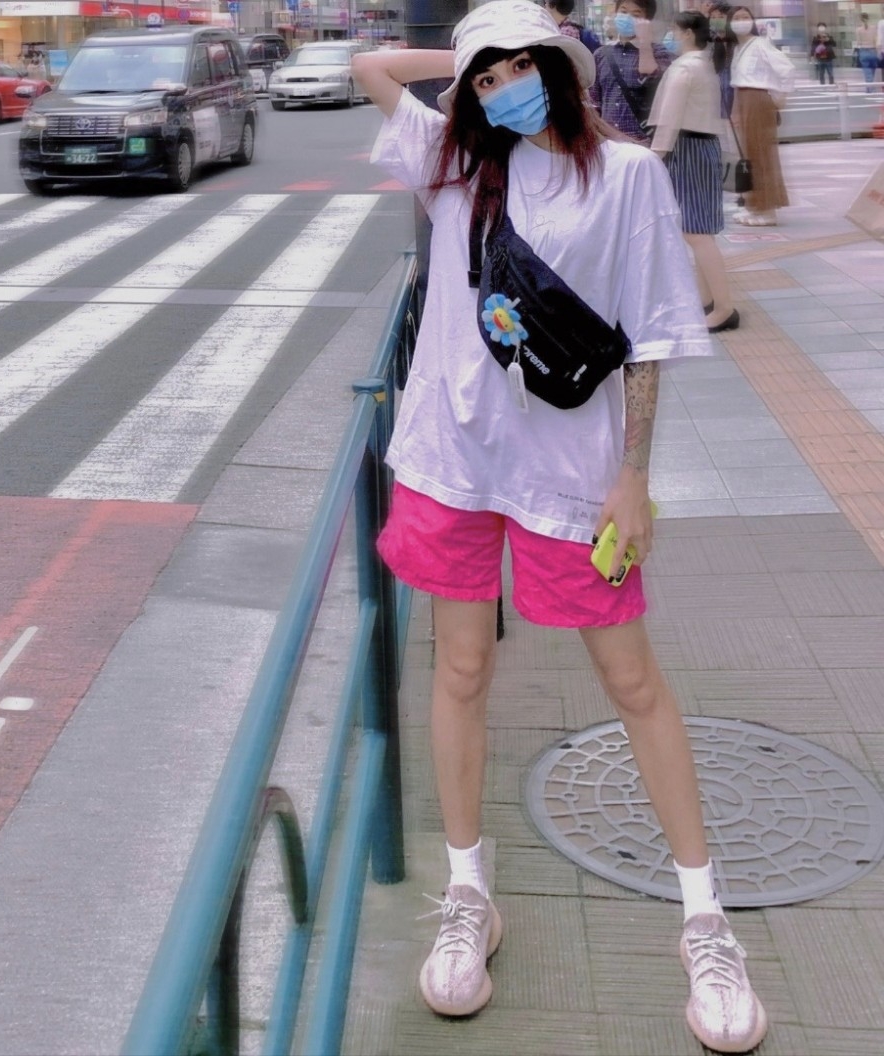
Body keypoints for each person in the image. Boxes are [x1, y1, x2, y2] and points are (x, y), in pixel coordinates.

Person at [351, 3, 768, 1051]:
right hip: (453, 461)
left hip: (572, 476)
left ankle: (705, 920)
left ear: (558, 66)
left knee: (633, 681)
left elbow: (655, 331)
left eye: (518, 69)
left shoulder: (626, 176)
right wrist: (464, 56)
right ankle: (467, 894)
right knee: (458, 670)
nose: (502, 91)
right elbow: (369, 67)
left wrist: (634, 477)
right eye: (483, 80)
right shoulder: (456, 165)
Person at [649, 11, 737, 333]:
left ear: (687, 33)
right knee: (699, 231)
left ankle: (724, 308)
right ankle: (707, 300)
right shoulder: (705, 64)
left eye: (673, 31)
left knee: (696, 233)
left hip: (688, 149)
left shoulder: (686, 67)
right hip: (701, 147)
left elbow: (669, 120)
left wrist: (655, 157)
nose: (669, 36)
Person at [724, 6, 793, 227]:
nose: (741, 21)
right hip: (743, 99)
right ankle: (754, 206)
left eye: (745, 17)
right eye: (736, 18)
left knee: (761, 154)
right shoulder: (738, 48)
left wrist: (779, 98)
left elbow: (786, 69)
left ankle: (767, 209)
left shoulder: (760, 44)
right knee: (748, 155)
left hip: (757, 100)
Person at [589, 0, 672, 146]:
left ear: (647, 21)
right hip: (609, 144)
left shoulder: (658, 52)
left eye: (636, 14)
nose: (627, 17)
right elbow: (594, 102)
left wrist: (645, 43)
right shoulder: (601, 54)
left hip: (644, 144)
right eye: (623, 11)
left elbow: (653, 81)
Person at [855, 13, 878, 92]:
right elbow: (876, 40)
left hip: (864, 51)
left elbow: (858, 42)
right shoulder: (874, 28)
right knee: (872, 71)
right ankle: (870, 87)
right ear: (868, 18)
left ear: (860, 19)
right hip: (873, 50)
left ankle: (869, 88)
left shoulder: (858, 30)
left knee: (867, 71)